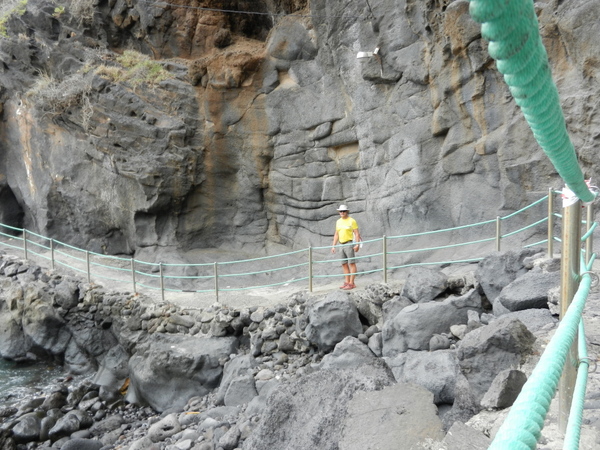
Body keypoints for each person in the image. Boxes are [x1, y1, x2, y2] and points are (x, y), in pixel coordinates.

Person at [331, 204, 362, 290]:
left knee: (351, 263)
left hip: (349, 243)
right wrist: (333, 245)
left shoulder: (352, 221)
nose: (342, 213)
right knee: (344, 264)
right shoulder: (338, 222)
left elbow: (356, 233)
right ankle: (347, 282)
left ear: (347, 212)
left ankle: (352, 283)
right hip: (341, 244)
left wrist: (357, 244)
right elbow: (336, 234)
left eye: (343, 211)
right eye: (340, 211)